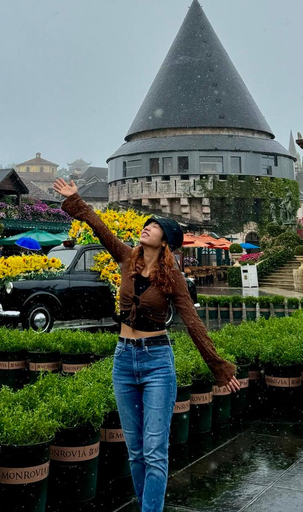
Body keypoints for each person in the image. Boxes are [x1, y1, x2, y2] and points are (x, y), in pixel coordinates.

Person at [54, 178, 239, 512]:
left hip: (157, 362)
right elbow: (100, 228)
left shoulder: (173, 278)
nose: (146, 228)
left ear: (165, 240)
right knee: (136, 450)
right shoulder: (126, 258)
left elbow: (193, 324)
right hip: (124, 360)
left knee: (155, 450)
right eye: (146, 224)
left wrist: (219, 367)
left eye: (154, 227)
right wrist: (77, 201)